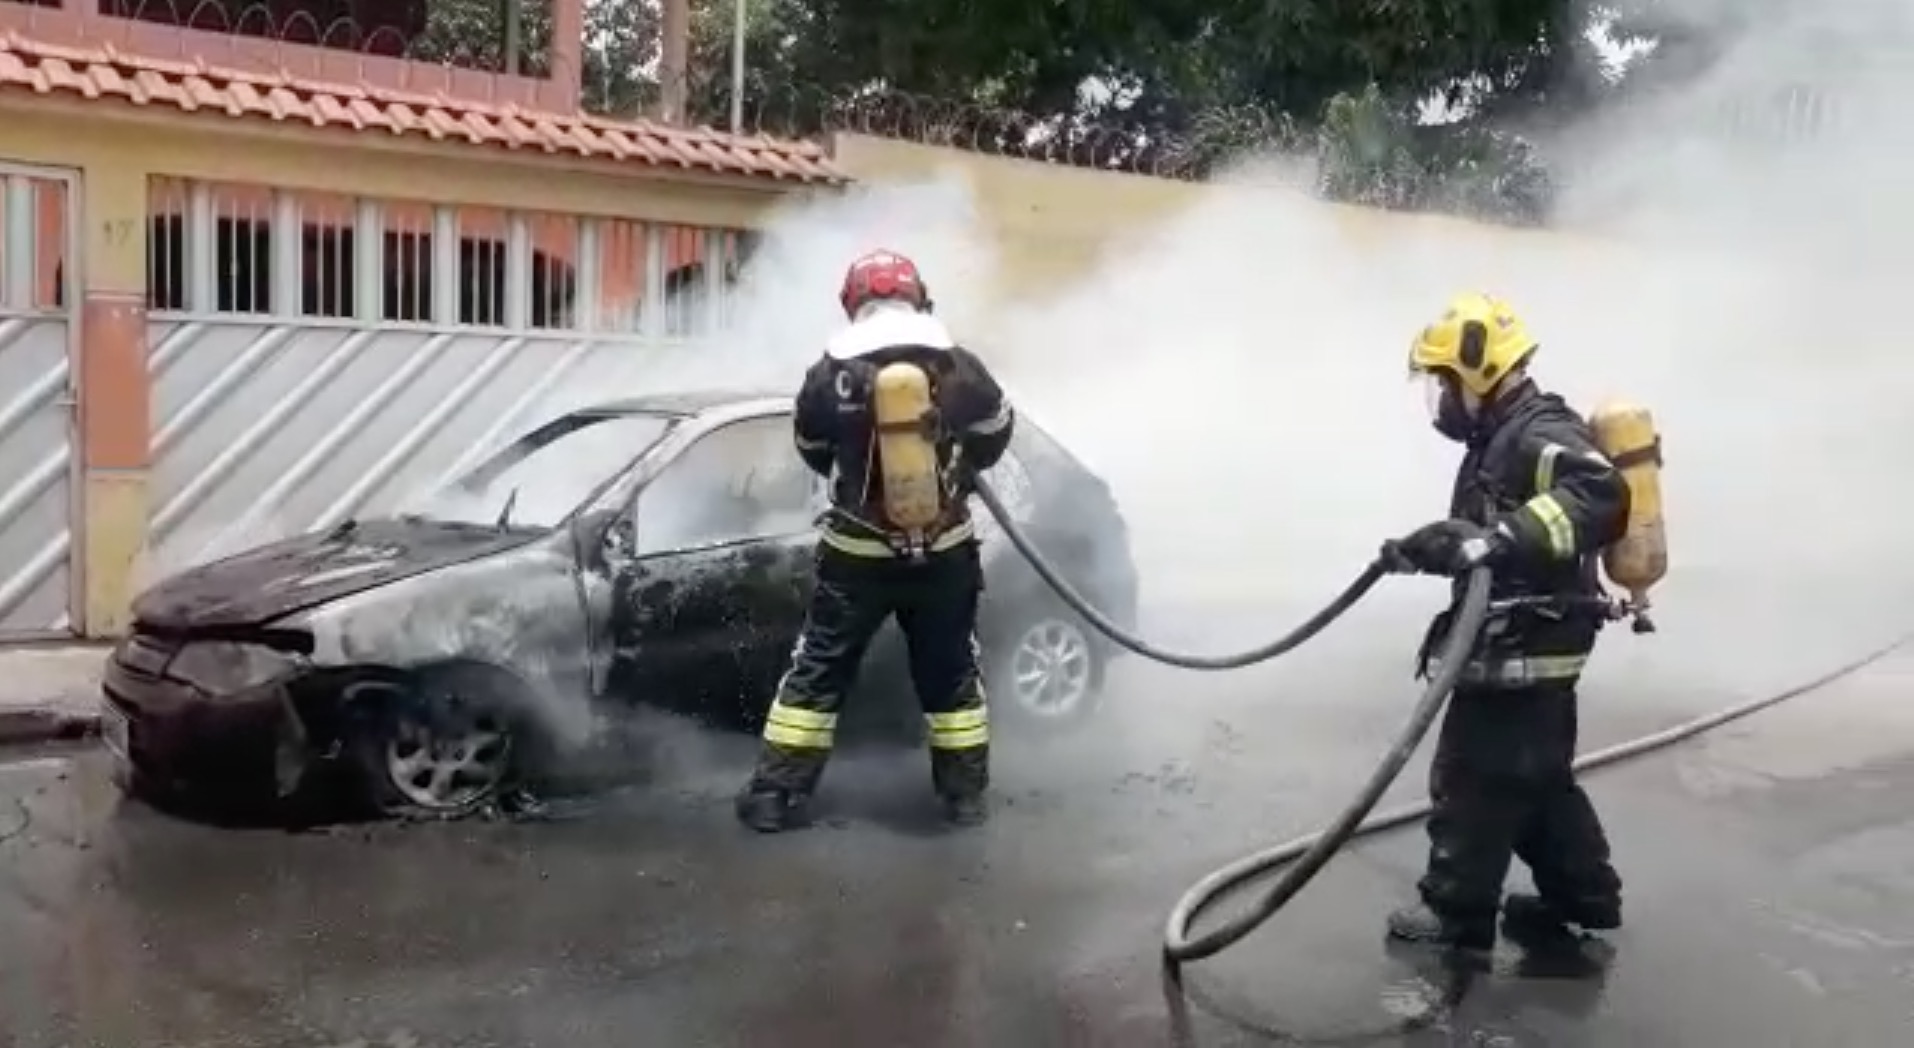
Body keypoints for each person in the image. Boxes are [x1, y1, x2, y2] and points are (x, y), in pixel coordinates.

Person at [1380, 291, 1627, 959]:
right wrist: (1420, 551)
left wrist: (1500, 541)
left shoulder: (1538, 432)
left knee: (1473, 777)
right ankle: (1583, 898)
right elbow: (1480, 537)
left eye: (1444, 385)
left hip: (1526, 646)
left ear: (1479, 373)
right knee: (1537, 778)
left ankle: (1455, 914)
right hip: (1531, 646)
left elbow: (1602, 495)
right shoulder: (1501, 438)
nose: (1440, 402)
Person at [734, 250, 1015, 833]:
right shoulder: (956, 363)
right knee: (952, 674)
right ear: (918, 297)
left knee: (818, 669)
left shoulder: (828, 372)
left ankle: (773, 797)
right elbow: (995, 432)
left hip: (856, 554)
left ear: (853, 302)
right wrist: (954, 465)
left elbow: (810, 451)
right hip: (943, 551)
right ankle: (964, 799)